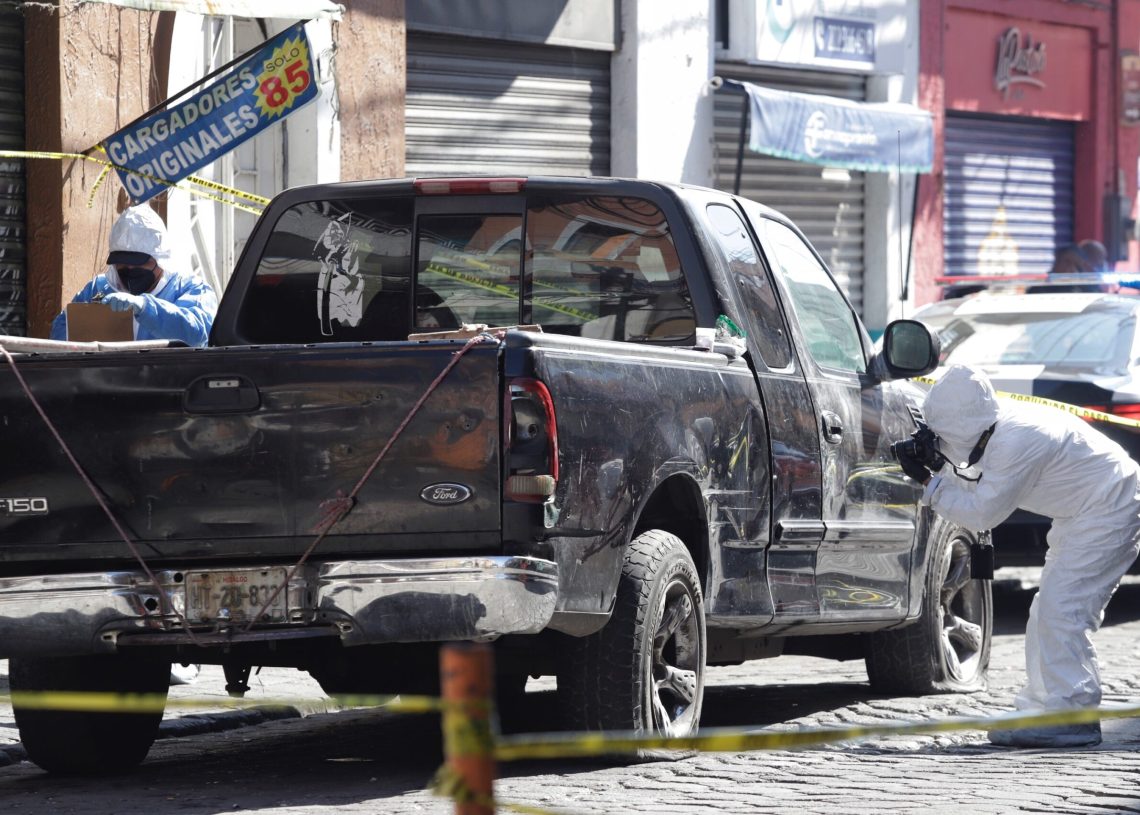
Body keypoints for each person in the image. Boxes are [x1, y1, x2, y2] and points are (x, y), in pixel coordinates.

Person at [894, 364, 1140, 748]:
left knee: (1065, 611)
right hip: (1086, 511)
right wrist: (940, 466)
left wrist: (930, 480)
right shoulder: (996, 429)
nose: (938, 441)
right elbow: (975, 477)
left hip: (1111, 508)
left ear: (961, 427)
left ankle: (1074, 715)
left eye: (942, 436)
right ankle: (1046, 708)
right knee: (1047, 611)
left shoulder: (1019, 439)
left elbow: (982, 512)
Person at [50, 205, 217, 347]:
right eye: (122, 261)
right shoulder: (98, 289)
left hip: (168, 384)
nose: (129, 268)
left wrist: (145, 307)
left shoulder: (191, 289)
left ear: (159, 259)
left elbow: (196, 333)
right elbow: (61, 333)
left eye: (138, 262)